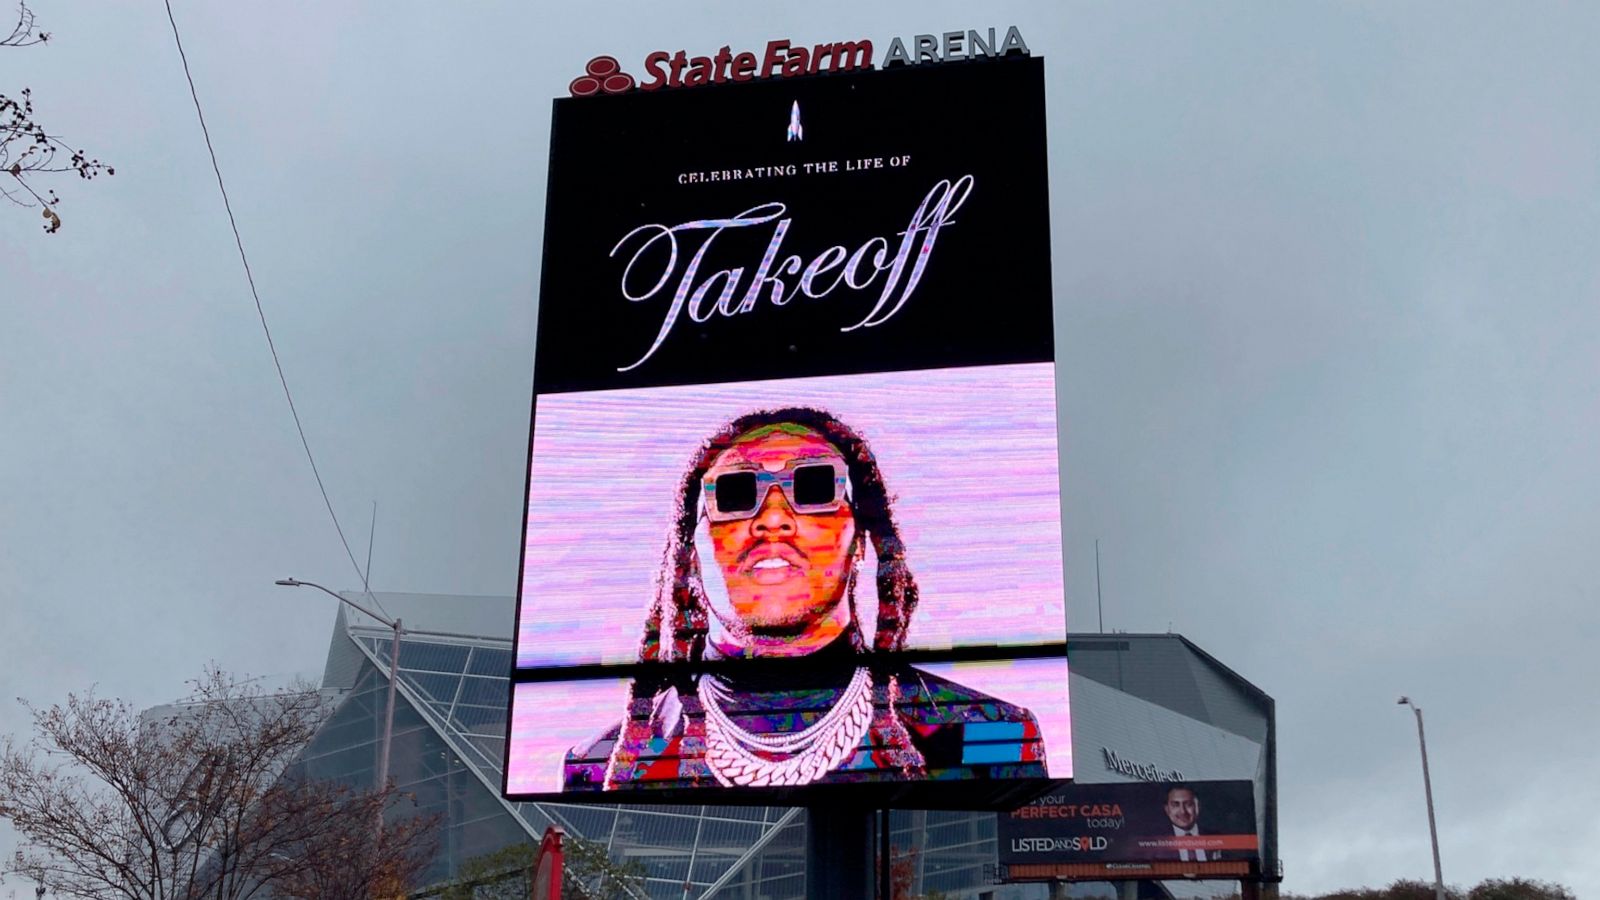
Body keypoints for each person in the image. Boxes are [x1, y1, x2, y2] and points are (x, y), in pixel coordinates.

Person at [562, 407, 1047, 791]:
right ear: (692, 550)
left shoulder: (988, 736)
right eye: (734, 493)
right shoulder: (605, 765)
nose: (773, 518)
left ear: (860, 540)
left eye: (814, 486)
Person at [1162, 785, 1217, 862]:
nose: (1183, 811)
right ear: (1167, 809)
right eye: (1175, 805)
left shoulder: (1216, 837)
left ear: (1198, 807)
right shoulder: (1154, 846)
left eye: (1188, 804)